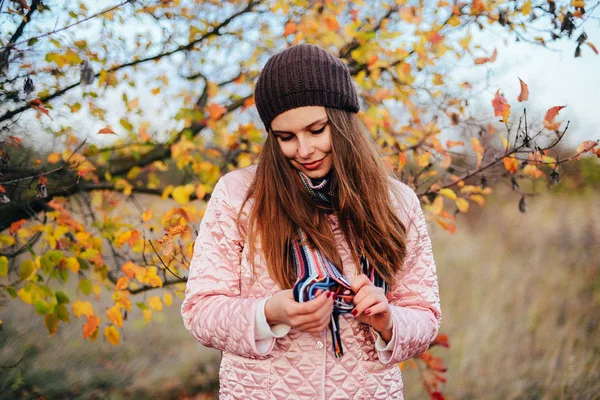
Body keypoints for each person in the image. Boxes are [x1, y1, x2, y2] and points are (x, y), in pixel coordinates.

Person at [181, 43, 442, 400]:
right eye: (286, 138)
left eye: (317, 130)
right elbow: (201, 311)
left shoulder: (396, 203)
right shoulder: (238, 195)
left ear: (343, 121)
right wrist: (270, 312)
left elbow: (424, 315)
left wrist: (388, 320)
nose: (303, 150)